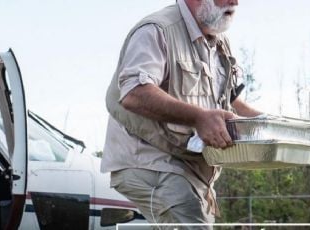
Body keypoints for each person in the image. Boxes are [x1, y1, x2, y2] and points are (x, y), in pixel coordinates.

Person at [101, 0, 261, 226]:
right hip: (150, 162)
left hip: (191, 170)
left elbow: (231, 100)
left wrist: (267, 124)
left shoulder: (219, 41)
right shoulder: (156, 30)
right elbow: (134, 93)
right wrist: (198, 117)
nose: (235, 2)